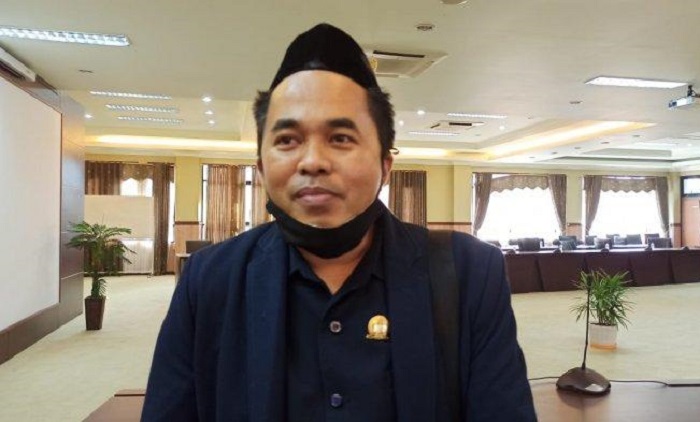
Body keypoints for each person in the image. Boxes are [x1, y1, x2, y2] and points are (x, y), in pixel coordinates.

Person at [142, 23, 536, 422]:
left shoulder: (469, 273)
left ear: (385, 165)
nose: (313, 161)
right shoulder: (210, 279)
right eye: (287, 140)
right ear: (260, 167)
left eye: (341, 138)